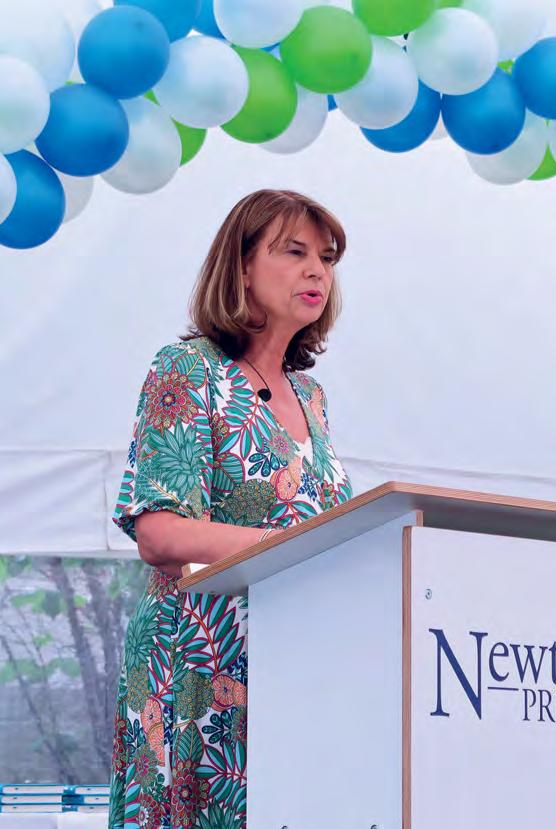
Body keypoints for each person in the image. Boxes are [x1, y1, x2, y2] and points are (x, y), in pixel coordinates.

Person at [108, 189, 353, 829]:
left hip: (291, 664)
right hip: (196, 668)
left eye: (327, 259)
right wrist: (298, 547)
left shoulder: (312, 396)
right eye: (294, 252)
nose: (316, 271)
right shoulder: (189, 369)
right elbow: (160, 533)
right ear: (241, 267)